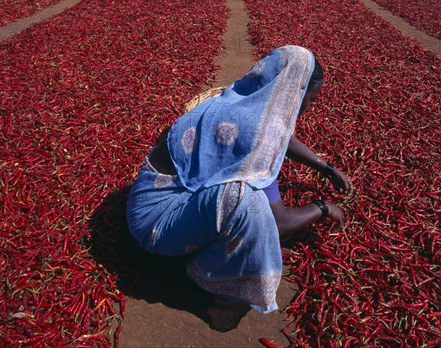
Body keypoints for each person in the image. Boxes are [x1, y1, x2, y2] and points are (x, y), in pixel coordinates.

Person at [126, 45, 353, 331]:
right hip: (155, 225)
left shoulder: (231, 101)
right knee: (249, 203)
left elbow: (279, 136)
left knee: (240, 194)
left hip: (150, 197)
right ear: (294, 91)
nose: (309, 107)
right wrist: (321, 209)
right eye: (311, 99)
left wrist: (325, 167)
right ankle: (210, 288)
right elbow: (279, 223)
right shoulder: (257, 139)